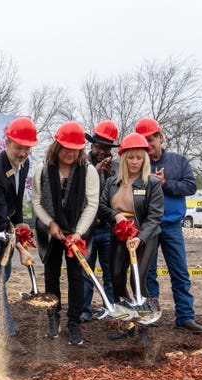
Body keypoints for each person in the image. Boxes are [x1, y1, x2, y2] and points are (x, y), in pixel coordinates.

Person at [135, 117, 202, 334]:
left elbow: (191, 186)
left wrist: (166, 184)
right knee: (148, 273)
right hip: (147, 227)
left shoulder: (178, 162)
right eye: (144, 141)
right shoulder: (138, 163)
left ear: (160, 137)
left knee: (179, 271)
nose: (149, 144)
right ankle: (151, 315)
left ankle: (185, 317)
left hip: (171, 225)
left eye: (152, 139)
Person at [32, 121, 99, 346]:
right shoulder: (42, 169)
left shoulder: (88, 171)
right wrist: (51, 223)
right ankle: (53, 319)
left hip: (77, 232)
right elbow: (37, 202)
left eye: (75, 149)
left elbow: (92, 204)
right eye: (65, 147)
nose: (70, 153)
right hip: (50, 231)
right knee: (51, 275)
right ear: (56, 145)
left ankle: (74, 323)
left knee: (76, 277)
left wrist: (79, 232)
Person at [99, 133, 164, 344]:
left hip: (144, 236)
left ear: (144, 159)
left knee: (137, 280)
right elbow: (102, 206)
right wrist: (115, 215)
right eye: (130, 157)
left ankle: (145, 328)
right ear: (123, 158)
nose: (135, 162)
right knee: (116, 277)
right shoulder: (112, 182)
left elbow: (155, 216)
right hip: (119, 234)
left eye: (139, 157)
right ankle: (127, 323)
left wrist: (141, 237)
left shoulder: (151, 184)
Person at [0, 116, 38, 356]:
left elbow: (15, 202)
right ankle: (6, 335)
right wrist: (19, 246)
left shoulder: (23, 163)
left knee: (0, 280)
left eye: (27, 148)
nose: (23, 152)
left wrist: (21, 227)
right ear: (7, 143)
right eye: (19, 147)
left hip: (7, 227)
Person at [80, 120, 120, 322]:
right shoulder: (82, 164)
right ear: (92, 146)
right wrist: (95, 172)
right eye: (99, 146)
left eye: (107, 147)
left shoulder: (117, 167)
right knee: (85, 272)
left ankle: (111, 308)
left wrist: (109, 175)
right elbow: (78, 194)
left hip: (108, 228)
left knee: (110, 272)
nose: (103, 151)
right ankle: (84, 310)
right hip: (87, 228)